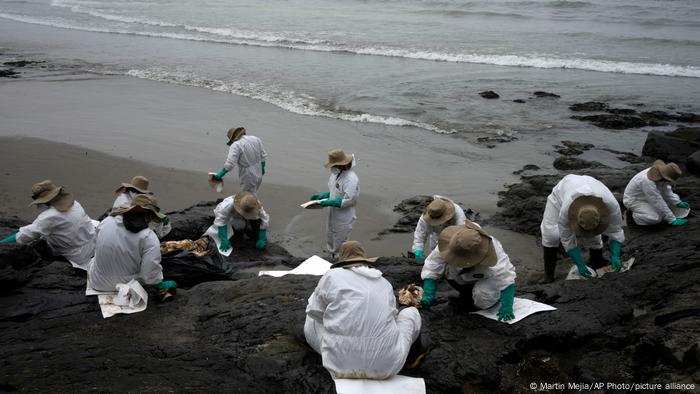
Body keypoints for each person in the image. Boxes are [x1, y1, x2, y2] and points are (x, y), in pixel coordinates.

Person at [304, 241, 426, 379]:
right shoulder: (384, 283)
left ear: (342, 262)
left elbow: (315, 312)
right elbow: (392, 317)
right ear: (365, 261)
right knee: (411, 313)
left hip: (339, 365)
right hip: (387, 367)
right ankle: (412, 359)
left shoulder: (332, 276)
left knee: (311, 317)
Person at [419, 222, 516, 322]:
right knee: (449, 273)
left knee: (482, 298)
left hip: (485, 277)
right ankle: (467, 293)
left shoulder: (495, 253)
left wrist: (507, 305)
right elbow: (433, 264)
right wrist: (428, 292)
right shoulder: (453, 241)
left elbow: (505, 277)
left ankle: (489, 296)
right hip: (461, 276)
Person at [88, 194, 176, 300]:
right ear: (149, 216)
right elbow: (149, 274)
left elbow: (96, 245)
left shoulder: (106, 222)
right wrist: (159, 283)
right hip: (125, 286)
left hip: (97, 283)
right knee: (146, 269)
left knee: (94, 260)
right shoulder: (148, 236)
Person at [540, 174, 625, 282]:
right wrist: (580, 264)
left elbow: (616, 231)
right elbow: (567, 239)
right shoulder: (566, 210)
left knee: (592, 230)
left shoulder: (611, 205)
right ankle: (548, 275)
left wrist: (615, 255)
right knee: (552, 235)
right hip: (559, 195)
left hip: (590, 183)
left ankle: (596, 260)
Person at [0, 180, 96, 270]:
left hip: (75, 256)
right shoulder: (74, 204)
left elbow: (25, 236)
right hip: (92, 246)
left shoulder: (49, 217)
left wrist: (3, 242)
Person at [309, 149, 360, 259]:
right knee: (330, 234)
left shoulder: (351, 179)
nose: (332, 168)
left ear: (342, 164)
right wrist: (323, 196)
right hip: (333, 212)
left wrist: (331, 202)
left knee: (340, 238)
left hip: (344, 215)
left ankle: (339, 259)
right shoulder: (335, 175)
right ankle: (331, 256)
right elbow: (335, 191)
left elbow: (350, 200)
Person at [623, 160, 690, 226]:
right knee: (655, 218)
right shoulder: (646, 181)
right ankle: (633, 216)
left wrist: (677, 202)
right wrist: (671, 219)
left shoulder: (661, 174)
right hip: (635, 200)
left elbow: (666, 190)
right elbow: (657, 201)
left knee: (682, 210)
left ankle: (649, 210)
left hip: (649, 196)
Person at [211, 127, 267, 194]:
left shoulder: (236, 145)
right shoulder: (255, 139)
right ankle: (255, 203)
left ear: (232, 138)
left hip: (248, 175)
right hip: (259, 171)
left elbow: (230, 164)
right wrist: (262, 168)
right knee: (253, 193)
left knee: (245, 196)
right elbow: (263, 155)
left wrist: (221, 174)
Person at [412, 195, 466, 262]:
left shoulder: (457, 213)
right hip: (436, 238)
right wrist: (418, 250)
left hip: (453, 238)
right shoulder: (427, 215)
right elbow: (420, 235)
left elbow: (461, 234)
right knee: (434, 260)